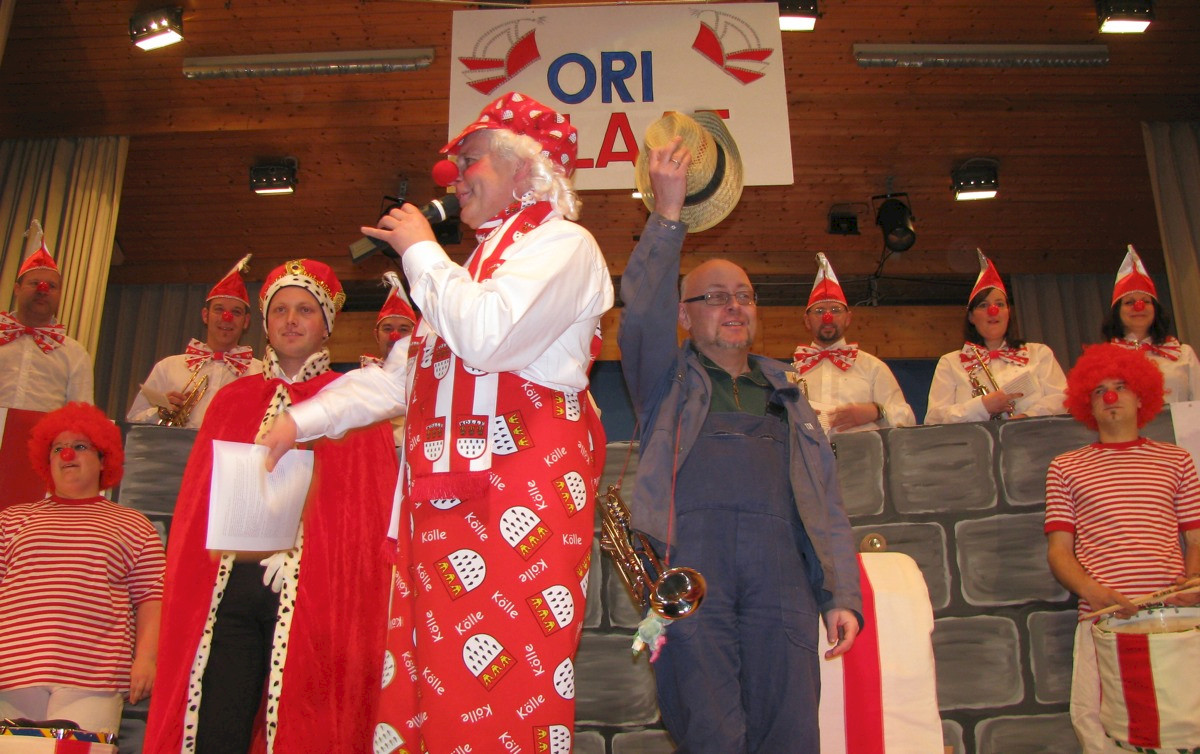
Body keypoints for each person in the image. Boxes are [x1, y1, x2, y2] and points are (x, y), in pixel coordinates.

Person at [258, 91, 613, 753]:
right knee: (429, 696)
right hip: (441, 509)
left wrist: (422, 252)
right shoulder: (466, 275)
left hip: (518, 506)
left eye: (471, 160)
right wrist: (297, 423)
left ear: (524, 169)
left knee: (505, 700)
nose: (451, 176)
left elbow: (490, 335)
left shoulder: (565, 246)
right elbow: (401, 379)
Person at [620, 111, 862, 753]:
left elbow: (826, 504)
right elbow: (639, 314)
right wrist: (667, 215)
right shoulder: (664, 383)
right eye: (716, 297)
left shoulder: (790, 395)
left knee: (790, 730)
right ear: (684, 316)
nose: (735, 306)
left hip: (782, 578)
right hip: (688, 570)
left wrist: (840, 593)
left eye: (746, 296)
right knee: (708, 730)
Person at [143, 259, 400, 754]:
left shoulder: (354, 402)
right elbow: (199, 506)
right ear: (265, 322)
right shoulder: (231, 400)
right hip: (231, 590)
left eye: (305, 309)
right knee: (218, 722)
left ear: (326, 324)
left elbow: (362, 516)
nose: (291, 320)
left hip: (316, 596)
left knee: (305, 723)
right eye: (280, 310)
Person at [1044, 343, 1200, 753]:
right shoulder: (1065, 467)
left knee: (1183, 728)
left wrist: (1193, 584)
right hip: (1103, 621)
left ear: (1142, 396)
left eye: (1120, 386)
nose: (1110, 396)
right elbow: (1059, 551)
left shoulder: (1178, 461)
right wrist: (1092, 592)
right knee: (1100, 729)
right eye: (1099, 390)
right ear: (1087, 403)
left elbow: (1196, 539)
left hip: (1174, 621)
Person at [0, 402, 164, 736]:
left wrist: (147, 659)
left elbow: (153, 597)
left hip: (94, 678)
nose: (66, 455)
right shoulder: (12, 520)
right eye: (57, 448)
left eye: (79, 446)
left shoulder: (133, 525)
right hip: (12, 674)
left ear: (103, 458)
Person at [925, 250, 1067, 423]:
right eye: (983, 305)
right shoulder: (950, 363)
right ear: (971, 317)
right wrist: (982, 406)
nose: (993, 311)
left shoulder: (1039, 353)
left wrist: (1027, 418)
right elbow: (934, 419)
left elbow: (1061, 400)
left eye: (999, 304)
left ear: (1008, 312)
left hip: (1033, 437)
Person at [126, 255, 261, 428]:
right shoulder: (167, 368)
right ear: (205, 315)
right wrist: (159, 413)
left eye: (236, 312)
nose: (226, 318)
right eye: (219, 309)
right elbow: (133, 422)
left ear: (246, 321)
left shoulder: (261, 374)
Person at [792, 252, 916, 433]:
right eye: (819, 311)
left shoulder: (873, 367)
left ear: (848, 318)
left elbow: (908, 419)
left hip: (863, 451)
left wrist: (876, 412)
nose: (827, 317)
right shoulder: (790, 373)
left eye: (836, 310)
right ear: (807, 321)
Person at [0, 220, 94, 411]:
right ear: (17, 289)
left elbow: (80, 414)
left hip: (47, 431)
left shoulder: (75, 354)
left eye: (52, 286)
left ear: (60, 294)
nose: (42, 290)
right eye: (34, 283)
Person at [1101, 244, 1199, 403]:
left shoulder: (1183, 354)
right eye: (1129, 302)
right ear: (1117, 312)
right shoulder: (1104, 359)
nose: (1138, 307)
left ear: (1155, 309)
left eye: (1145, 301)